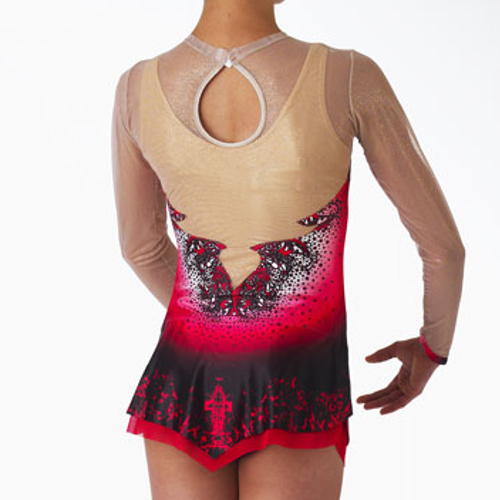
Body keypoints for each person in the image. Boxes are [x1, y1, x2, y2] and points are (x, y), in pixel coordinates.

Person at [111, 1, 466, 498]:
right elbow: (444, 249)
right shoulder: (346, 77)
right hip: (298, 379)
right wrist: (433, 347)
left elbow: (142, 249)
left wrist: (222, 323)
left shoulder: (136, 88)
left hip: (183, 382)